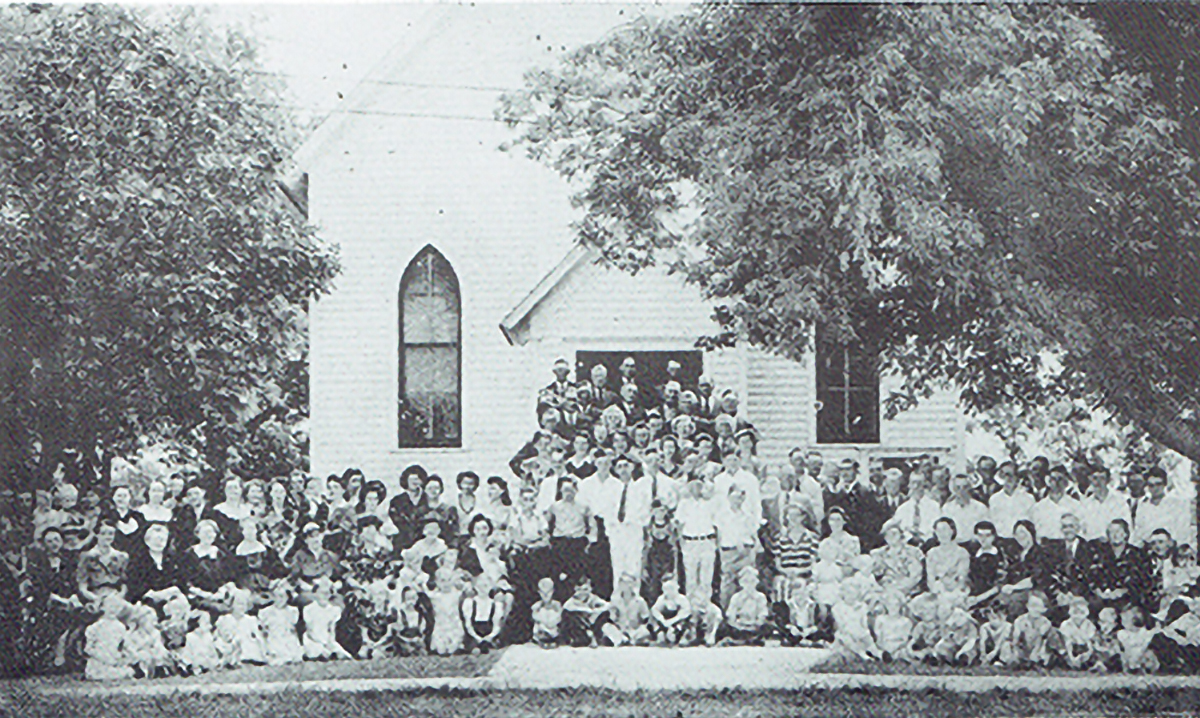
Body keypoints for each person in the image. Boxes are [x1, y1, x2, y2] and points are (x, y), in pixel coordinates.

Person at [1088, 519, 1152, 616]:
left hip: (1129, 599)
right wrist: (1098, 591)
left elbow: (1144, 582)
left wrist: (1124, 591)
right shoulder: (1099, 553)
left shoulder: (1138, 554)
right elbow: (1091, 576)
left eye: (1118, 531)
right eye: (1111, 532)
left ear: (1126, 534)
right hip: (1102, 598)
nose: (1115, 535)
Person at [548, 477, 595, 601]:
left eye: (571, 490)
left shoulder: (584, 507)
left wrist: (590, 541)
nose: (568, 493)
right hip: (560, 543)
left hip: (577, 543)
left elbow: (592, 525)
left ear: (576, 490)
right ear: (560, 491)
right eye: (565, 490)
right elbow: (547, 525)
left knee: (577, 575)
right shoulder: (554, 507)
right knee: (559, 576)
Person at [715, 484, 761, 611]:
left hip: (746, 551)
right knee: (727, 583)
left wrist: (752, 552)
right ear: (728, 497)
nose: (737, 500)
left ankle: (746, 612)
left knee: (747, 581)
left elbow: (754, 535)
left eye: (740, 497)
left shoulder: (748, 516)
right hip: (729, 551)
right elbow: (719, 536)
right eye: (734, 497)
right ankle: (726, 612)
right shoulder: (722, 515)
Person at [675, 474, 717, 610]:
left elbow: (717, 524)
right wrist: (682, 544)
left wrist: (715, 543)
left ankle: (705, 609)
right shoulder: (684, 504)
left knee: (706, 579)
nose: (696, 488)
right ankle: (691, 610)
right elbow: (679, 525)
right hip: (690, 542)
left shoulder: (710, 503)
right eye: (693, 485)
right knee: (691, 579)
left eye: (699, 485)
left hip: (707, 541)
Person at [998, 520, 1052, 619]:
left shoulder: (1040, 553)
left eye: (1023, 532)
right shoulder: (1015, 554)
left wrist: (1013, 587)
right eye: (1016, 533)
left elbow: (1035, 579)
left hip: (1036, 591)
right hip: (1017, 590)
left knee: (1013, 602)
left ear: (1031, 533)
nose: (1020, 536)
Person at [1132, 467, 1192, 548]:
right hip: (1148, 549)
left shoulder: (1176, 504)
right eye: (1151, 485)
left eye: (1158, 484)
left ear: (1164, 484)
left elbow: (1182, 532)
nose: (1155, 488)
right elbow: (1138, 532)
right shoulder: (1143, 506)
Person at [76, 521, 129, 609]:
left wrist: (118, 597)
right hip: (95, 597)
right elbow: (82, 587)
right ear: (97, 535)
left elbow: (124, 584)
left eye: (111, 534)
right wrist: (96, 599)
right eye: (103, 533)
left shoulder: (121, 556)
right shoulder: (87, 556)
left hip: (116, 597)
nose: (107, 537)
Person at [870, 519, 924, 600]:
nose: (891, 537)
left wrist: (898, 590)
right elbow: (874, 575)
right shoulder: (877, 554)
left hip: (910, 593)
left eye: (894, 533)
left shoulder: (913, 552)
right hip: (885, 593)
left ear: (901, 534)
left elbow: (915, 577)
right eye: (887, 535)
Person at [84, 594, 133, 680]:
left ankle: (115, 671)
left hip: (113, 659)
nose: (113, 609)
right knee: (103, 672)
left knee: (129, 671)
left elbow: (125, 647)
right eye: (110, 606)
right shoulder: (96, 627)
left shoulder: (121, 627)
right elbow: (88, 649)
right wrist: (103, 657)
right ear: (102, 607)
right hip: (99, 661)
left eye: (116, 607)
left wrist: (123, 658)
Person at [126, 523, 178, 605]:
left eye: (162, 540)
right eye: (155, 540)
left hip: (169, 599)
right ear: (147, 541)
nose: (159, 543)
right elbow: (136, 586)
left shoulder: (170, 560)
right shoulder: (139, 561)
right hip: (145, 600)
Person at [718, 565, 769, 646]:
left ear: (756, 582)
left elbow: (763, 614)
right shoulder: (736, 597)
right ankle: (741, 640)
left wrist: (756, 623)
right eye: (746, 581)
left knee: (768, 627)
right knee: (725, 628)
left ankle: (752, 639)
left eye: (752, 581)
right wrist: (737, 625)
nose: (749, 585)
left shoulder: (760, 597)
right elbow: (731, 615)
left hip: (754, 625)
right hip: (739, 626)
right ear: (741, 583)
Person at [1080, 467, 1132, 542]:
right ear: (1090, 480)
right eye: (1095, 478)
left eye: (1102, 478)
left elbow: (1127, 527)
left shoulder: (1120, 501)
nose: (1098, 482)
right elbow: (1081, 529)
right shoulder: (1085, 504)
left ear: (1108, 481)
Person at [303, 577, 349, 660]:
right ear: (315, 593)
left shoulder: (334, 610)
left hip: (327, 640)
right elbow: (310, 631)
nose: (324, 596)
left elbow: (332, 630)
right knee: (323, 655)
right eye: (321, 593)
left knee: (344, 656)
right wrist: (321, 644)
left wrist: (329, 643)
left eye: (327, 593)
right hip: (313, 640)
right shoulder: (308, 609)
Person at [1011, 591, 1061, 668]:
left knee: (1053, 634)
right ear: (1027, 606)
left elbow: (1040, 640)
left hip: (1038, 649)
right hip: (1024, 648)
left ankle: (1041, 661)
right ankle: (1019, 661)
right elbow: (1015, 639)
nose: (1035, 609)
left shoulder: (1045, 622)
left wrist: (1034, 653)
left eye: (1038, 606)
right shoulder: (1020, 620)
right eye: (1032, 606)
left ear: (1044, 609)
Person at [988, 461, 1035, 542]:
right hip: (1001, 541)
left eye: (1010, 475)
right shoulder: (994, 499)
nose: (1008, 478)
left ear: (1017, 476)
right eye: (1004, 475)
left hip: (1022, 541)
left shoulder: (1028, 499)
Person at [561, 577, 611, 648]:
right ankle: (584, 637)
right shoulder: (573, 600)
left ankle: (596, 636)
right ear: (576, 589)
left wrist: (595, 613)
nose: (583, 593)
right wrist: (586, 610)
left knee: (605, 613)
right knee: (571, 615)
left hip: (592, 625)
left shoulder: (593, 598)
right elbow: (566, 607)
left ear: (591, 589)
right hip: (580, 629)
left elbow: (608, 605)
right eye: (580, 590)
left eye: (586, 589)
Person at [389, 465, 428, 552]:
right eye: (411, 480)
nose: (414, 482)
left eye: (417, 479)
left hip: (424, 543)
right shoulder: (397, 501)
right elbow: (397, 522)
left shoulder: (428, 499)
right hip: (403, 544)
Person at [605, 573, 651, 646]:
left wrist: (641, 626)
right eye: (624, 583)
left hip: (634, 629)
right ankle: (621, 640)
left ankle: (630, 639)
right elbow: (612, 618)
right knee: (606, 627)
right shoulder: (615, 600)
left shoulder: (640, 601)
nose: (628, 585)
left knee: (644, 631)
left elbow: (646, 619)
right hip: (620, 629)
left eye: (630, 583)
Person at [429, 567, 466, 656]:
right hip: (441, 626)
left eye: (448, 580)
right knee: (441, 648)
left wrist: (460, 578)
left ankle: (455, 645)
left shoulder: (456, 594)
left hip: (454, 625)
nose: (446, 584)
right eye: (442, 581)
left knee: (453, 644)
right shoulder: (435, 597)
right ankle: (441, 646)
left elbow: (466, 586)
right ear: (437, 582)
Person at [649, 574, 691, 646]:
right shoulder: (662, 599)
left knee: (687, 622)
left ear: (677, 587)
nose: (669, 591)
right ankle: (659, 634)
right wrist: (662, 620)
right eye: (666, 589)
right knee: (652, 618)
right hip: (665, 622)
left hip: (677, 622)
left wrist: (672, 623)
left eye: (671, 588)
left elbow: (685, 614)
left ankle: (682, 637)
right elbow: (654, 610)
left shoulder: (682, 599)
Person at [1059, 595, 1099, 670]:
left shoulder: (1089, 625)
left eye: (1081, 610)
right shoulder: (1065, 624)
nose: (1078, 613)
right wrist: (1072, 658)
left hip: (1085, 649)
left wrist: (1088, 654)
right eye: (1075, 609)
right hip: (1071, 650)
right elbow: (1067, 643)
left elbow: (1090, 642)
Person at [1117, 606, 1159, 673]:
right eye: (1122, 619)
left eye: (1125, 619)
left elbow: (1147, 643)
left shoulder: (1144, 632)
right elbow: (1125, 650)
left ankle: (1146, 668)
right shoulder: (1122, 634)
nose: (1122, 622)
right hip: (1131, 657)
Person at [530, 577, 564, 647]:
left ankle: (551, 638)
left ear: (553, 591)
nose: (545, 596)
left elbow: (558, 619)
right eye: (543, 593)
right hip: (541, 631)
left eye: (548, 592)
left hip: (553, 631)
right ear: (539, 592)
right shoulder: (536, 607)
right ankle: (543, 639)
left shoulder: (557, 606)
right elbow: (535, 618)